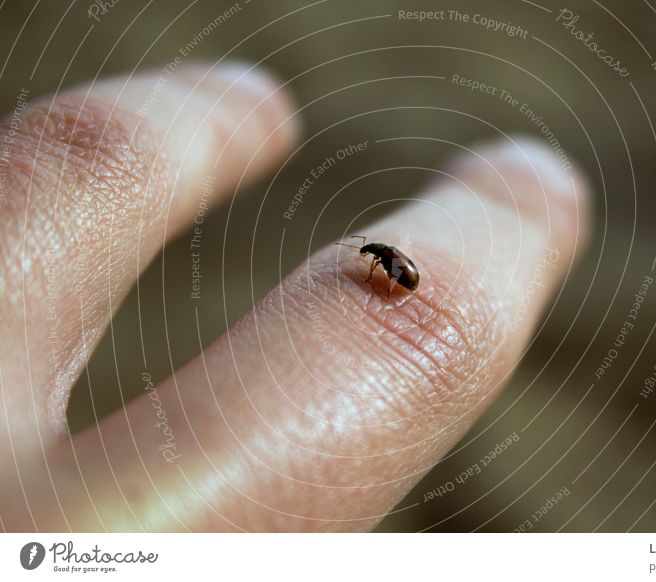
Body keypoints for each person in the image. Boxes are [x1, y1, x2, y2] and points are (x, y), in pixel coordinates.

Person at [0, 62, 588, 531]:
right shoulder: (382, 259)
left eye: (373, 258)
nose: (371, 261)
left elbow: (396, 279)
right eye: (375, 258)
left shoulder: (388, 266)